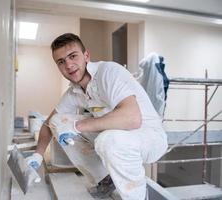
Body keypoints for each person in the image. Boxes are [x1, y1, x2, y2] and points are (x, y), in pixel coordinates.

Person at [25, 33, 168, 200]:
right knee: (58, 121)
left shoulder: (108, 72)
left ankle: (138, 197)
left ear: (86, 56)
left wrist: (77, 127)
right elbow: (48, 124)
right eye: (61, 62)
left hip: (149, 136)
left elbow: (132, 118)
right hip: (119, 135)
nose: (69, 65)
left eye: (72, 56)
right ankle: (105, 180)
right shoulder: (75, 91)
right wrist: (38, 154)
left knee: (107, 140)